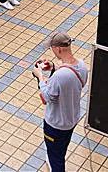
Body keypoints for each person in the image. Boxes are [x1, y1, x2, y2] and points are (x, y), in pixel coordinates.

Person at [32, 31, 88, 172]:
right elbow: (70, 77)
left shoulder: (59, 76)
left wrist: (40, 77)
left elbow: (46, 97)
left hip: (56, 124)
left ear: (58, 49)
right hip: (71, 120)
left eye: (52, 49)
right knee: (60, 149)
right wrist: (53, 66)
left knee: (56, 158)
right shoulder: (82, 66)